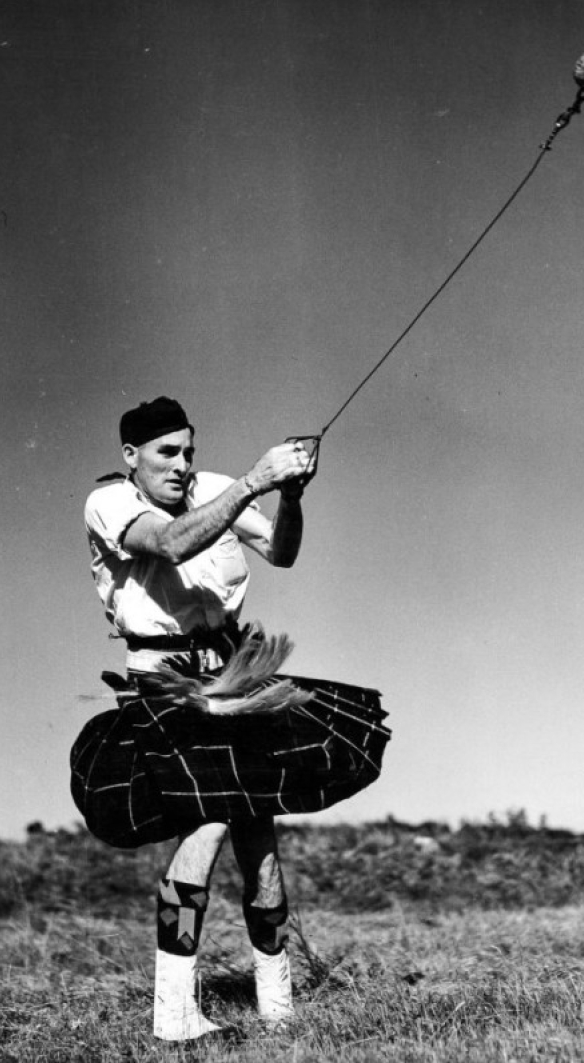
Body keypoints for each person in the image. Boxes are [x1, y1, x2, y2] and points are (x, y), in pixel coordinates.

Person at [71, 396, 390, 1042]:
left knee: (260, 845)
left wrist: (290, 495)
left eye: (189, 450)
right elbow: (167, 541)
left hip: (236, 674)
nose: (183, 465)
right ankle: (173, 1013)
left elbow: (281, 551)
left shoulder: (214, 490)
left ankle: (276, 1005)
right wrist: (255, 481)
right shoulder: (109, 503)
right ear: (130, 458)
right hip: (165, 685)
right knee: (210, 819)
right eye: (167, 453)